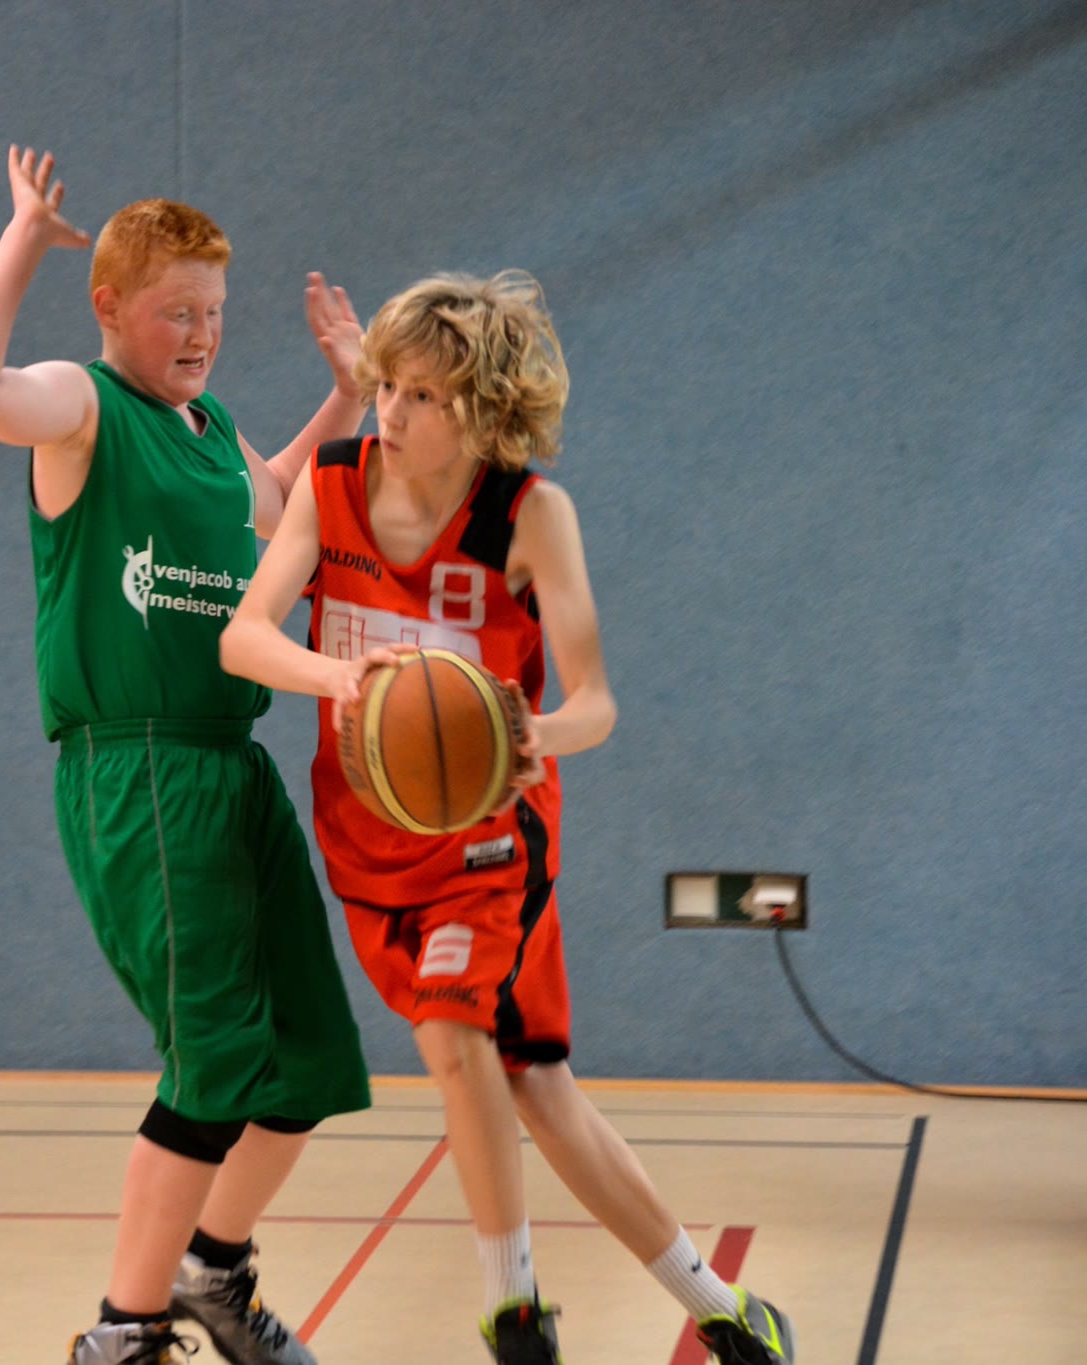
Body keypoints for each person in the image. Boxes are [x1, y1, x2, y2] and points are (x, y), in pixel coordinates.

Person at [219, 271, 796, 1365]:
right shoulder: (332, 485)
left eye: (425, 396)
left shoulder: (530, 516)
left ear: (483, 409)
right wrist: (336, 678)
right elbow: (241, 637)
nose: (393, 413)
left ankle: (513, 1310)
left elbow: (595, 704)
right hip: (367, 836)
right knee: (535, 1085)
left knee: (451, 1034)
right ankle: (724, 1306)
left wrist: (536, 734)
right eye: (386, 386)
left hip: (491, 836)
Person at [0, 148, 372, 1365]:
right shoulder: (80, 407)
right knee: (213, 1059)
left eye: (215, 313)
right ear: (110, 305)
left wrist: (345, 396)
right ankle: (119, 1334)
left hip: (234, 766)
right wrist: (23, 236)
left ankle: (210, 1272)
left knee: (306, 1063)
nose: (202, 335)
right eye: (178, 311)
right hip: (142, 771)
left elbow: (275, 505)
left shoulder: (210, 426)